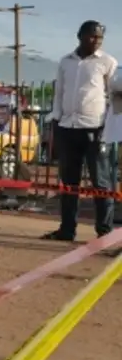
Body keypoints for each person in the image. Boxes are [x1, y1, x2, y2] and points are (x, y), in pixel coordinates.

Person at [42, 21, 118, 242]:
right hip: (68, 127)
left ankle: (104, 233)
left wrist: (110, 125)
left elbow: (115, 96)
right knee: (69, 182)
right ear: (80, 36)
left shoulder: (107, 62)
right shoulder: (66, 62)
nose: (96, 41)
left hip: (96, 129)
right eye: (92, 36)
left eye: (100, 38)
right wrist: (56, 118)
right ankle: (67, 230)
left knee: (101, 183)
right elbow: (60, 92)